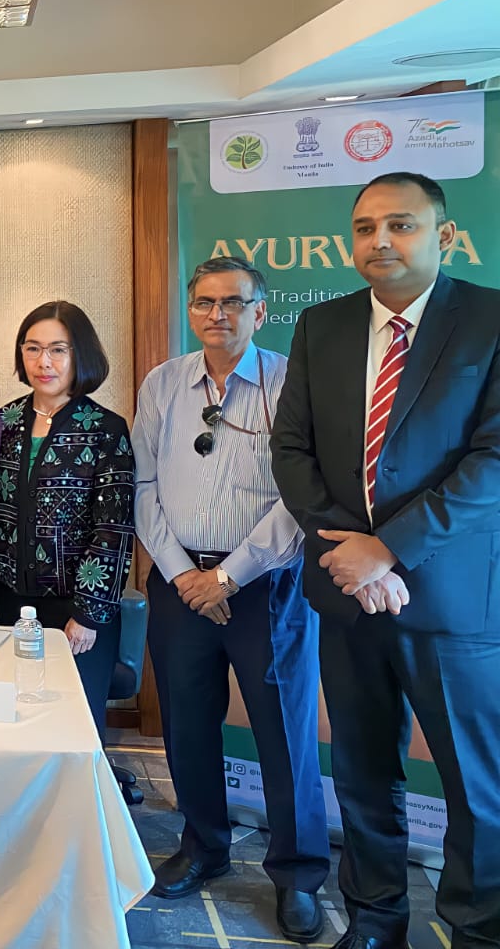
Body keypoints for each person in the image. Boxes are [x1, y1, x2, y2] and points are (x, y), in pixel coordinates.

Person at [272, 171, 500, 949]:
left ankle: (475, 931)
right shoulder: (322, 326)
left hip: (452, 602)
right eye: (365, 228)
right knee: (364, 775)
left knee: (477, 791)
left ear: (444, 235)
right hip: (348, 597)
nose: (380, 241)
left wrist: (388, 549)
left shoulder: (489, 319)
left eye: (401, 224)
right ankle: (374, 922)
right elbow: (291, 449)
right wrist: (351, 555)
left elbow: (493, 459)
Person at [134, 257, 328, 943]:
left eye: (234, 303)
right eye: (205, 303)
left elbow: (302, 494)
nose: (218, 315)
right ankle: (204, 846)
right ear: (191, 309)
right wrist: (184, 573)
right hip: (179, 583)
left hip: (265, 585)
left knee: (284, 732)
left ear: (260, 311)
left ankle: (298, 874)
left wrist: (229, 577)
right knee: (187, 725)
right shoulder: (163, 383)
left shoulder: (292, 381)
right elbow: (143, 486)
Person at [0, 300, 134, 737]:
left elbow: (114, 527)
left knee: (74, 729)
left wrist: (90, 612)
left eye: (58, 350)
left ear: (81, 355)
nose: (43, 362)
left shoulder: (105, 428)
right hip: (6, 603)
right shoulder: (0, 423)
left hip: (76, 609)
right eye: (32, 348)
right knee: (10, 724)